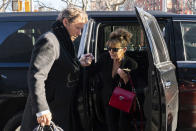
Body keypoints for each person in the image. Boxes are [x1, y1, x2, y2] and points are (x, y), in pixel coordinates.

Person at [20, 7, 94, 131]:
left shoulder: (63, 40)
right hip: (49, 112)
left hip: (62, 110)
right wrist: (42, 109)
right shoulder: (49, 41)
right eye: (77, 28)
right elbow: (36, 76)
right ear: (65, 22)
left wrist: (79, 63)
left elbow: (60, 66)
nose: (80, 33)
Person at [90, 28, 138, 131]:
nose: (111, 52)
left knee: (123, 125)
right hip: (107, 98)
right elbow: (92, 71)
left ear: (124, 49)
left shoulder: (131, 63)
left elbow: (136, 85)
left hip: (123, 99)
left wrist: (125, 77)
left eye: (115, 49)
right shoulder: (104, 59)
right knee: (110, 126)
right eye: (109, 48)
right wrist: (87, 63)